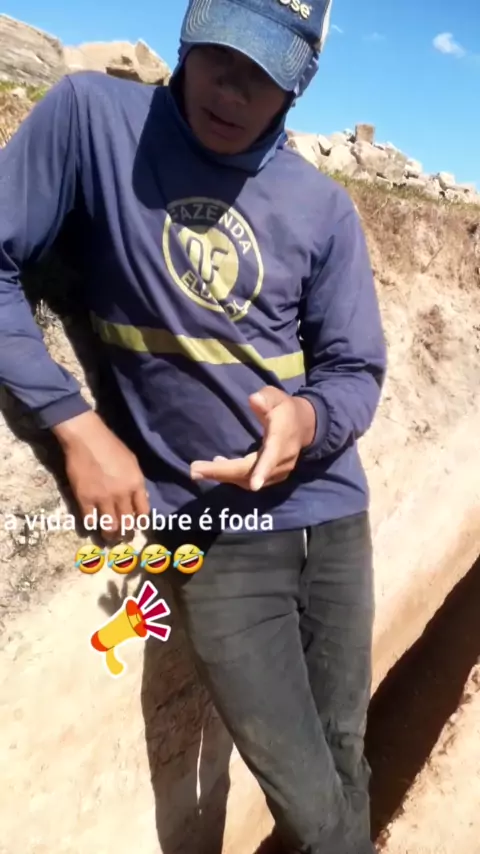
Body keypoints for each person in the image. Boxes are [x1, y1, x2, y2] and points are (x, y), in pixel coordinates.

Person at [0, 0, 387, 851]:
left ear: (300, 84)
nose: (232, 90)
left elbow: (356, 370)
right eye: (221, 55)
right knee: (312, 805)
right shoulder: (94, 122)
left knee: (346, 757)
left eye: (263, 73)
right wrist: (72, 422)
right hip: (217, 537)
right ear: (187, 33)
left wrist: (305, 418)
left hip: (332, 516)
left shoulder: (323, 208)